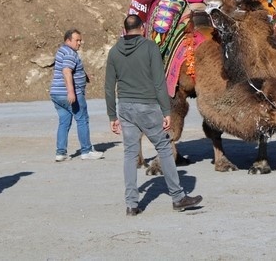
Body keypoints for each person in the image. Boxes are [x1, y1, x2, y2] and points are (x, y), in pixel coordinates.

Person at [105, 15, 203, 215]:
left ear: (125, 31)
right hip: (147, 106)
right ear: (142, 29)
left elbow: (108, 87)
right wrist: (166, 111)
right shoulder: (150, 48)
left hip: (125, 107)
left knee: (130, 154)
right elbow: (160, 82)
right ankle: (178, 197)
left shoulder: (114, 52)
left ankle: (132, 204)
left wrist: (112, 116)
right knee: (165, 148)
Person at [50, 29, 104, 162]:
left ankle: (60, 153)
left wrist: (83, 75)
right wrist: (71, 92)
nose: (80, 43)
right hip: (69, 94)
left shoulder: (62, 51)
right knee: (82, 119)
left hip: (56, 93)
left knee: (64, 122)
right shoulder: (70, 53)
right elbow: (67, 71)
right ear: (68, 40)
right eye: (77, 40)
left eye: (80, 40)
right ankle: (86, 151)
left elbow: (70, 68)